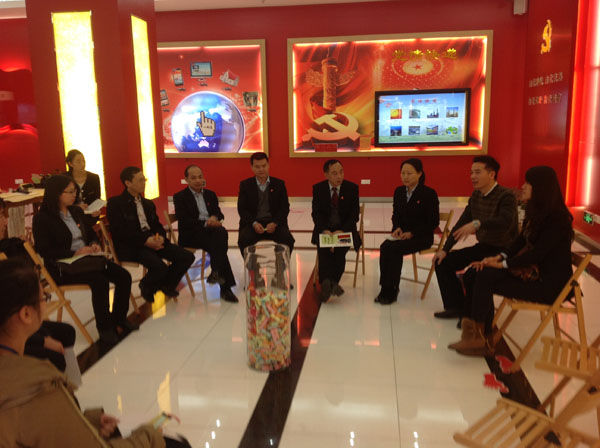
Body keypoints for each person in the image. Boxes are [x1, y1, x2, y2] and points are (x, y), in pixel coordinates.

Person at [0, 258, 184, 447]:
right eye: (44, 298)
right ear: (26, 314)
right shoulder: (37, 387)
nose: (46, 304)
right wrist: (149, 435)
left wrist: (86, 422)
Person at [449, 166, 574, 356]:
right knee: (476, 272)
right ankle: (476, 335)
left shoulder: (558, 219)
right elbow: (519, 243)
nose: (523, 186)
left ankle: (479, 338)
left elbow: (537, 254)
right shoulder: (536, 213)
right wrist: (498, 257)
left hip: (548, 285)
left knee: (484, 277)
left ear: (541, 188)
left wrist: (502, 265)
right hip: (531, 274)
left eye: (528, 183)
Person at [32, 175, 136, 345]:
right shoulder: (42, 218)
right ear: (57, 194)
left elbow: (90, 233)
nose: (75, 195)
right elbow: (45, 250)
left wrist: (94, 244)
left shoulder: (75, 211)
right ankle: (105, 328)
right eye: (70, 192)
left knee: (123, 276)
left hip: (87, 260)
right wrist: (75, 252)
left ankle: (119, 319)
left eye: (75, 191)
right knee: (100, 281)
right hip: (62, 267)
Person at [433, 155, 518, 320]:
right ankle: (455, 307)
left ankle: (473, 316)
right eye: (471, 173)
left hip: (504, 251)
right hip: (484, 247)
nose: (473, 176)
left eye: (478, 172)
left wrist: (478, 224)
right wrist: (444, 250)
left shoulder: (506, 196)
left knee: (473, 275)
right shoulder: (476, 196)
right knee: (442, 262)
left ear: (492, 174)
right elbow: (460, 225)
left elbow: (505, 221)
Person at [0, 198, 76, 372]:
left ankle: (66, 385)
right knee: (54, 357)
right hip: (8, 329)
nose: (5, 221)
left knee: (66, 333)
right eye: (1, 216)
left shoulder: (5, 247)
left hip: (16, 320)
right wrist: (41, 340)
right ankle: (52, 385)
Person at [107, 167, 194, 304]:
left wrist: (160, 238)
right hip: (132, 245)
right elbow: (121, 231)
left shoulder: (148, 203)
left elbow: (157, 225)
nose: (144, 183)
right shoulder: (115, 203)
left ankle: (166, 285)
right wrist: (146, 240)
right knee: (159, 267)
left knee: (186, 257)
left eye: (144, 180)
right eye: (140, 180)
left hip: (152, 240)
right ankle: (147, 285)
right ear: (128, 183)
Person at [375, 159, 439, 305]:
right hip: (402, 235)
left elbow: (433, 222)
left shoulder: (428, 193)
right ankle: (385, 287)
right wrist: (396, 228)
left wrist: (412, 233)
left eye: (409, 173)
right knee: (385, 247)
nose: (405, 177)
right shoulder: (399, 192)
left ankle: (392, 289)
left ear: (419, 173)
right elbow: (396, 215)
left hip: (421, 236)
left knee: (395, 249)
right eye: (403, 173)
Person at [173, 165, 238, 303]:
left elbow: (218, 213)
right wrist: (206, 223)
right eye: (193, 178)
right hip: (191, 234)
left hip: (210, 233)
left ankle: (217, 273)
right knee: (219, 244)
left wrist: (214, 218)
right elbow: (184, 220)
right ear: (186, 179)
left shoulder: (210, 194)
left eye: (200, 177)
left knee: (219, 235)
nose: (198, 180)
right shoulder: (180, 197)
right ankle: (224, 287)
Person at [311, 159, 361, 303]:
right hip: (325, 230)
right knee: (324, 251)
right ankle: (331, 284)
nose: (339, 176)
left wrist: (342, 230)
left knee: (339, 251)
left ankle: (328, 283)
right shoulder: (318, 188)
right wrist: (324, 229)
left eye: (341, 172)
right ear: (326, 175)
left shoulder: (352, 188)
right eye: (334, 173)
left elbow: (354, 215)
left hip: (344, 229)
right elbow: (316, 213)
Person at [237, 152, 295, 256]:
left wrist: (275, 223)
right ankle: (252, 264)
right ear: (252, 167)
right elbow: (242, 209)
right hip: (252, 224)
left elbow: (284, 208)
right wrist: (254, 223)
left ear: (268, 165)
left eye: (264, 166)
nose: (261, 169)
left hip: (274, 223)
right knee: (244, 240)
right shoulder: (245, 185)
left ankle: (280, 263)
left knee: (288, 240)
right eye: (257, 167)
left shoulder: (279, 184)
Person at [63, 149, 102, 224]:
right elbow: (61, 201)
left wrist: (96, 209)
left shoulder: (94, 178)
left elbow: (97, 198)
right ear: (70, 164)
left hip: (90, 215)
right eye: (78, 161)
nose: (82, 164)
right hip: (70, 215)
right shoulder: (64, 178)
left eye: (83, 161)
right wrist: (76, 207)